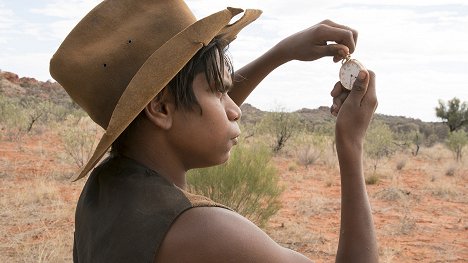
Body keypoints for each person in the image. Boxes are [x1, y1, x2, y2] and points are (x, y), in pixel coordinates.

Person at [50, 0, 378, 262]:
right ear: (160, 108)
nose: (234, 110)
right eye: (219, 92)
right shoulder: (206, 233)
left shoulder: (105, 188)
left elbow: (189, 110)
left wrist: (282, 53)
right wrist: (350, 145)